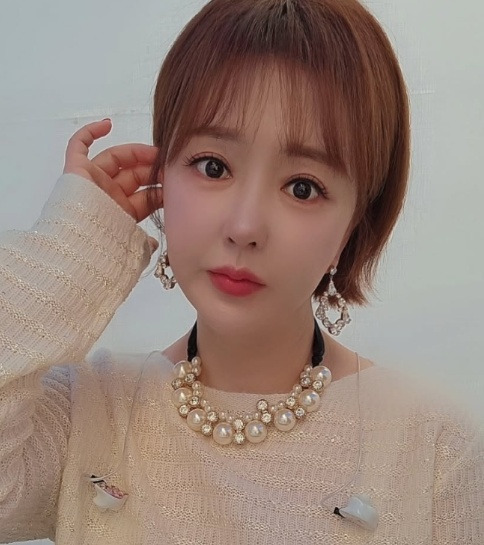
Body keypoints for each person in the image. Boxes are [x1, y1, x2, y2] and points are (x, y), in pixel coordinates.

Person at [0, 0, 482, 543]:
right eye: (213, 166)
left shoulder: (433, 445)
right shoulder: (85, 414)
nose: (245, 226)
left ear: (354, 224)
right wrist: (73, 245)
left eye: (303, 187)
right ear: (163, 175)